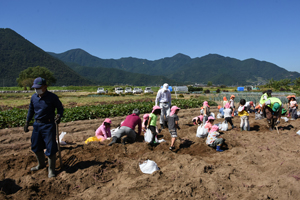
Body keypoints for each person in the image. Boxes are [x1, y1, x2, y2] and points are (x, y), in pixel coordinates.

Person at [24, 77, 64, 178]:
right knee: (36, 145)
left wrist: (59, 116)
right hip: (37, 125)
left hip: (49, 125)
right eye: (35, 88)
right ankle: (41, 164)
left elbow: (60, 108)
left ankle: (51, 170)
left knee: (50, 147)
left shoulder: (52, 97)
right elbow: (31, 110)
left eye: (39, 87)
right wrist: (27, 122)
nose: (37, 89)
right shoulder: (34, 97)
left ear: (45, 87)